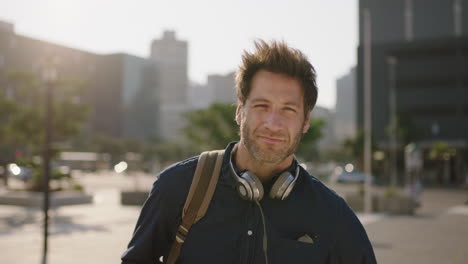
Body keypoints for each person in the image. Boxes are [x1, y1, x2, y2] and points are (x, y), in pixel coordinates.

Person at [121, 40, 376, 264]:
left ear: (306, 120)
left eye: (288, 109)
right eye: (262, 106)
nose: (273, 123)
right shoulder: (177, 187)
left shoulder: (332, 214)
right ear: (240, 111)